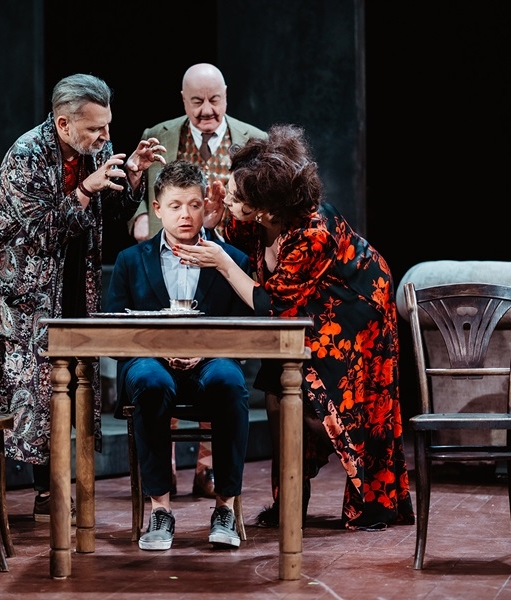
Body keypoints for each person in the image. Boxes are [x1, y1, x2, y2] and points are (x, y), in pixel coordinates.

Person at [173, 124, 416, 531]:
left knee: (327, 408)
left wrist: (223, 263)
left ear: (266, 209)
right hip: (304, 307)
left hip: (354, 307)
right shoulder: (263, 213)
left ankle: (371, 498)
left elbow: (271, 304)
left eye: (235, 196)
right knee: (276, 388)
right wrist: (215, 220)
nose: (227, 196)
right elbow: (237, 234)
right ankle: (289, 500)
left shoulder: (312, 233)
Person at [0, 73, 165, 528]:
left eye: (107, 126)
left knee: (54, 380)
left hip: (64, 278)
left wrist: (132, 177)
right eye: (95, 128)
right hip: (6, 287)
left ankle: (49, 489)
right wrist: (85, 189)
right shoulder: (26, 155)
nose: (105, 136)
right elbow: (41, 231)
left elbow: (109, 213)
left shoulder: (96, 150)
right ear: (63, 123)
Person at [129, 63, 266, 498]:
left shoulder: (254, 140)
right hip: (167, 258)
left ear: (226, 95)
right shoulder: (159, 135)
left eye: (214, 100)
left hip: (225, 263)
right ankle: (164, 468)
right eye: (197, 102)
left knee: (215, 362)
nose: (206, 110)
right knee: (163, 357)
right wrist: (141, 218)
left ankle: (208, 468)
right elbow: (145, 198)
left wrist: (228, 243)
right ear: (183, 101)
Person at [105, 160, 253, 550]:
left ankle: (225, 507)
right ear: (157, 209)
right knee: (150, 381)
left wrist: (203, 350)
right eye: (175, 206)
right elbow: (113, 329)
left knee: (230, 381)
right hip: (150, 361)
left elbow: (245, 330)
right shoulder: (130, 260)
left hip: (211, 360)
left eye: (193, 204)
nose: (185, 214)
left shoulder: (232, 260)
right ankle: (160, 510)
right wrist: (159, 349)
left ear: (206, 205)